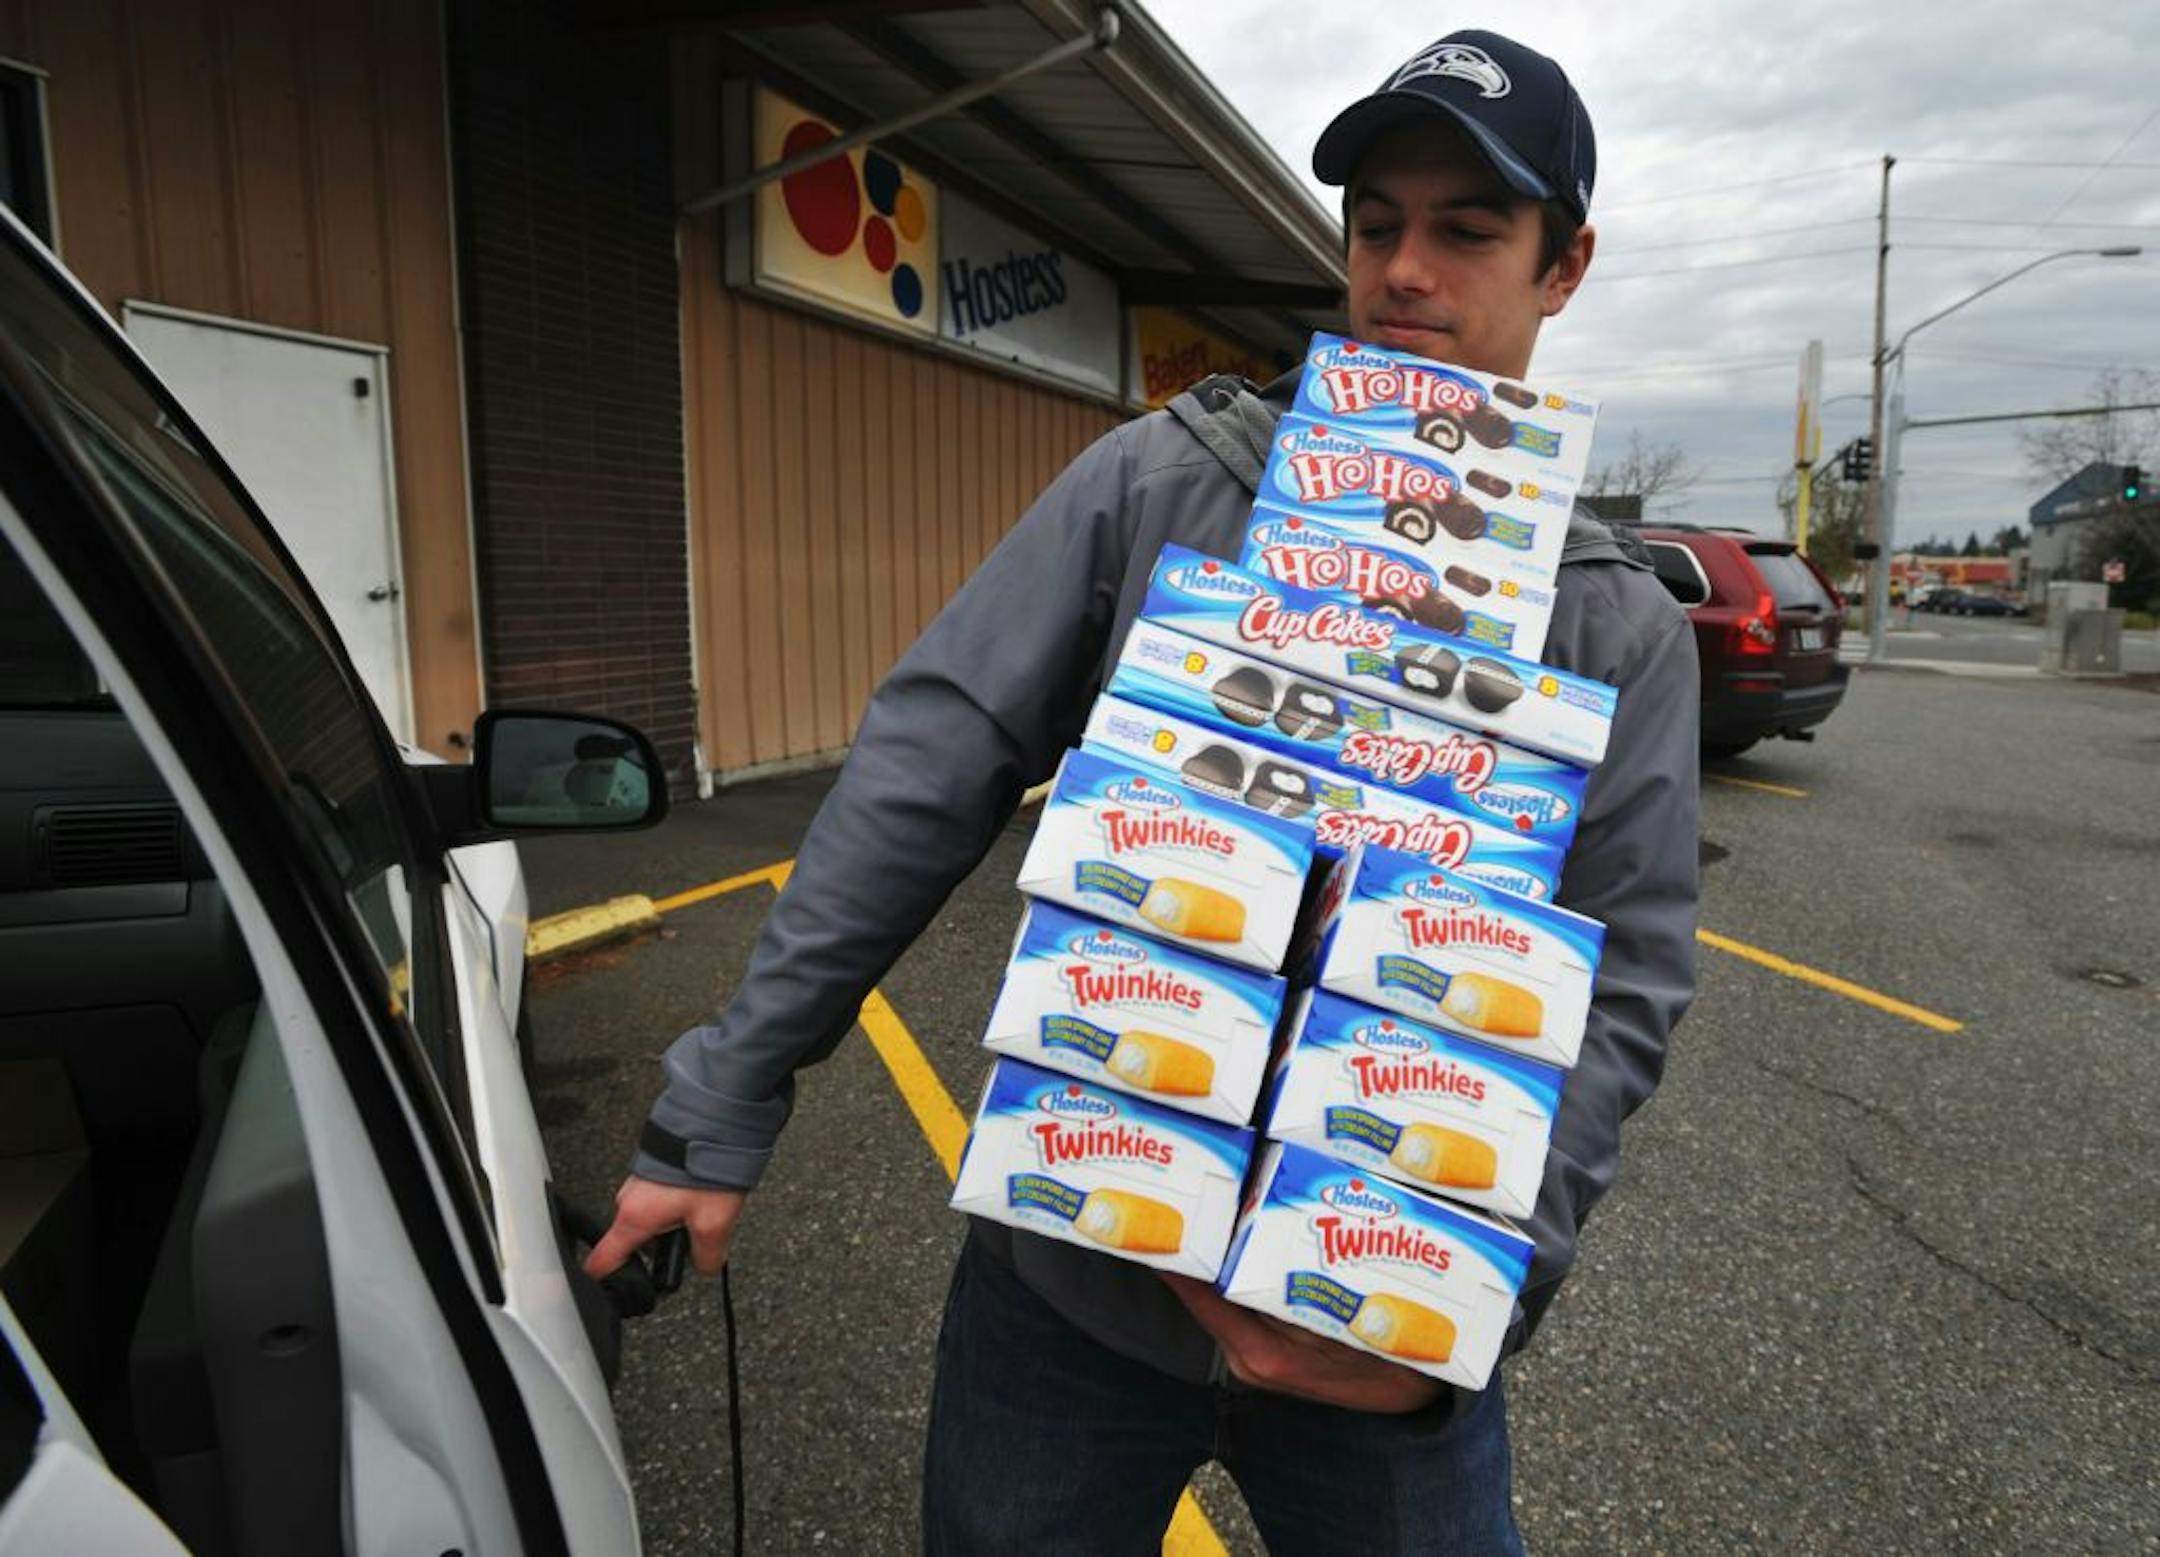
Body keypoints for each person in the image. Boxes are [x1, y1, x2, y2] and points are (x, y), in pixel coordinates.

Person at [586, 28, 1698, 1554]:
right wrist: (719, 1104)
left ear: (1563, 266)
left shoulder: (1611, 619)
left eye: (1467, 229)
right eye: (1376, 225)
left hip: (1386, 1342)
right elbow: (926, 768)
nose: (1405, 272)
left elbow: (1626, 967)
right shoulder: (1160, 484)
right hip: (1074, 1290)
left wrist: (1489, 1280)